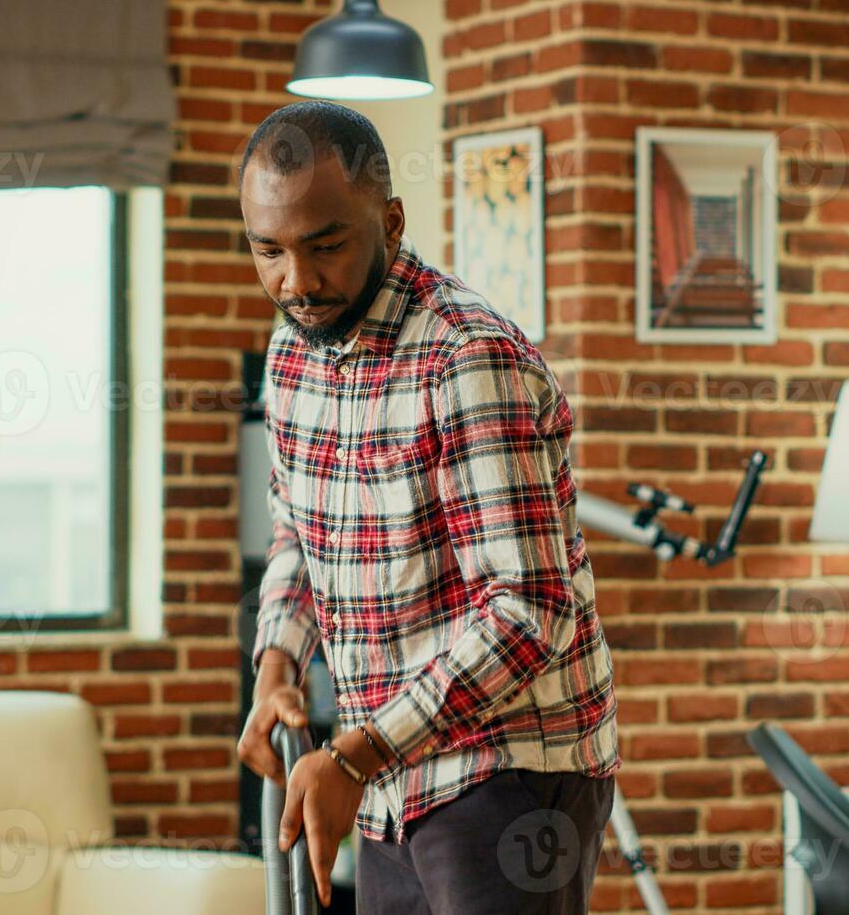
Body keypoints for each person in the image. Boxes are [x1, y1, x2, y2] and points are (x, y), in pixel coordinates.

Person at [235, 100, 619, 914]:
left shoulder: (467, 359)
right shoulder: (293, 355)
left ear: (392, 221)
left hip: (513, 769)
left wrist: (352, 757)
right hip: (388, 770)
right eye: (268, 251)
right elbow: (302, 536)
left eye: (326, 246)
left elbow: (530, 612)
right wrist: (277, 665)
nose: (295, 282)